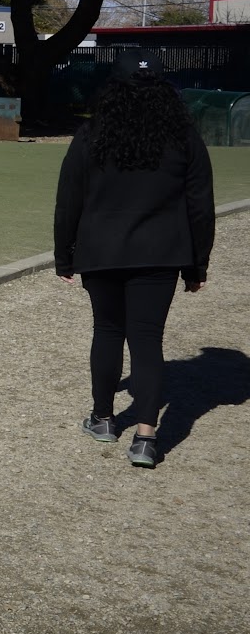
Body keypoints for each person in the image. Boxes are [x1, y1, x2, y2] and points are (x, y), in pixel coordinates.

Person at [54, 70, 214, 468]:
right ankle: (146, 437)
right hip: (161, 253)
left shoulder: (91, 135)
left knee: (107, 331)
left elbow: (69, 197)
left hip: (101, 249)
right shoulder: (183, 137)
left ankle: (104, 418)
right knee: (147, 339)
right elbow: (200, 204)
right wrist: (198, 264)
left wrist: (64, 253)